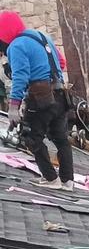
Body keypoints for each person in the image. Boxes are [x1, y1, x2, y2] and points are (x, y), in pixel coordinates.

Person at [0, 12, 73, 191]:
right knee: (61, 138)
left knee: (31, 137)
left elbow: (20, 77)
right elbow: (61, 63)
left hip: (40, 97)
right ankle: (67, 181)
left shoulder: (16, 46)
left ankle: (51, 178)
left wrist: (13, 107)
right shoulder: (41, 36)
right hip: (61, 95)